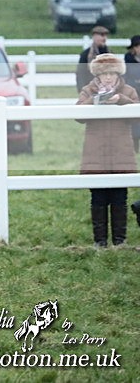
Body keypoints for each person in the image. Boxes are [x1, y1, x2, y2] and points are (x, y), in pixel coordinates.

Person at [76, 53, 139, 247]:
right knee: (98, 197)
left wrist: (122, 100)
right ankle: (100, 241)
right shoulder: (87, 91)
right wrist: (95, 101)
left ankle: (120, 241)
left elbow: (137, 114)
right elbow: (78, 115)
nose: (109, 77)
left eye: (112, 72)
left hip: (121, 151)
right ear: (98, 75)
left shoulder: (129, 91)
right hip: (96, 152)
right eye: (105, 73)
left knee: (120, 197)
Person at [76, 26, 111, 92]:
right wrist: (82, 90)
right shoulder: (86, 55)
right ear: (94, 36)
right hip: (90, 89)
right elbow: (81, 74)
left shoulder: (110, 54)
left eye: (106, 35)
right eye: (102, 35)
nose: (104, 38)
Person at [123, 34, 140, 152]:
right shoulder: (128, 59)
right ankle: (135, 146)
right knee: (134, 122)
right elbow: (128, 77)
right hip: (134, 93)